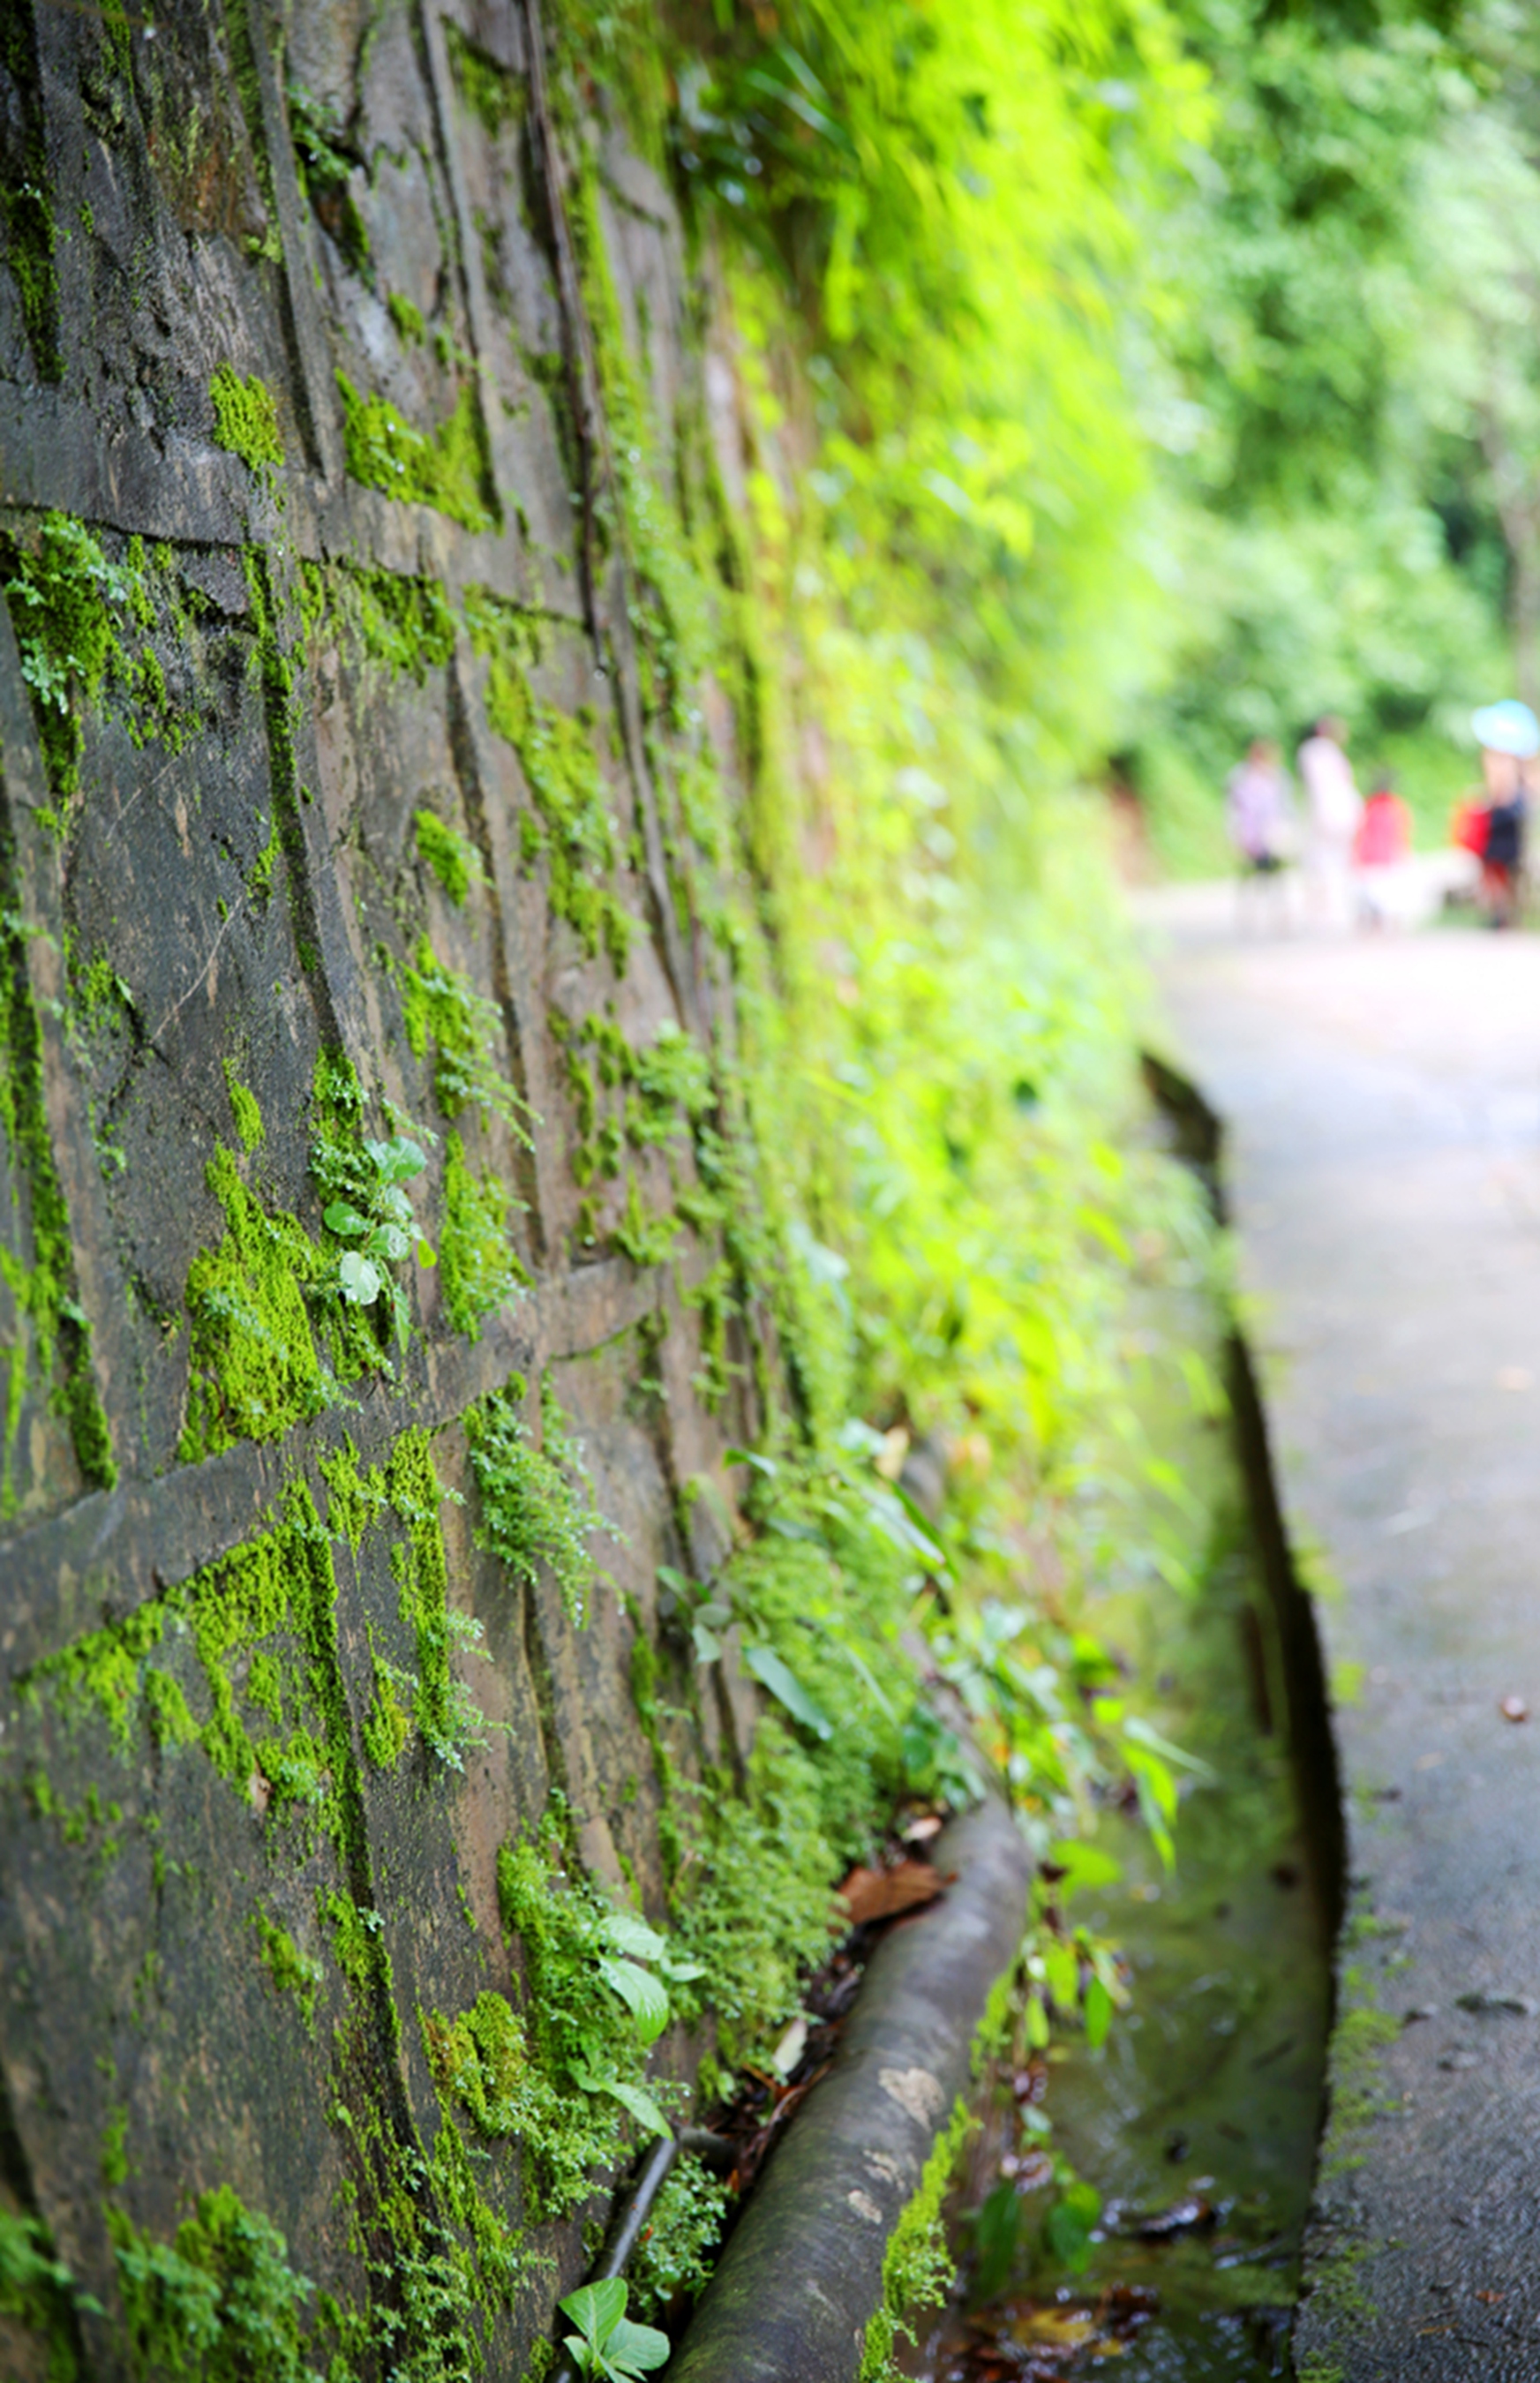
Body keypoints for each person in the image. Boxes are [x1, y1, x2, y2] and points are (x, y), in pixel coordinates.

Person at [1469, 699, 1537, 929]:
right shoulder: (1523, 760)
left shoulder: (1497, 758)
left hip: (1501, 817)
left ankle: (1500, 913)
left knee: (1494, 868)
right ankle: (1509, 913)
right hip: (1515, 816)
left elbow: (1496, 792)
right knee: (1509, 869)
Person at [1297, 715, 1363, 929]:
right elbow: (1324, 788)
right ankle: (1325, 911)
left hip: (1333, 815)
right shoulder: (1318, 753)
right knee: (1326, 863)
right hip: (1330, 815)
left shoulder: (1321, 753)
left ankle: (1328, 910)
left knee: (1327, 863)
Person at [1226, 738, 1294, 928]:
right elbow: (1234, 808)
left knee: (1276, 874)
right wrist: (1236, 833)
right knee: (1250, 875)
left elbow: (1285, 806)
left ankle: (1280, 913)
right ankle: (1247, 914)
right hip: (1250, 834)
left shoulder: (1278, 776)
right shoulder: (1241, 776)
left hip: (1273, 833)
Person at [1354, 771, 1411, 930]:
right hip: (1385, 859)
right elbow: (1403, 834)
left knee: (1373, 899)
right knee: (1386, 899)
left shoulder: (1370, 805)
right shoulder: (1396, 806)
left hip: (1373, 858)